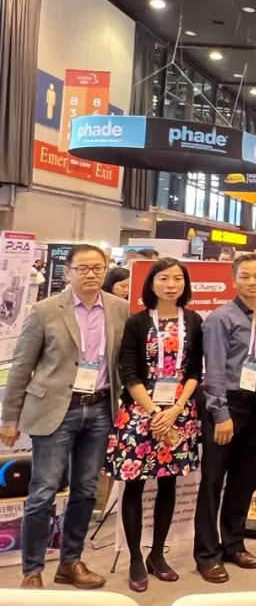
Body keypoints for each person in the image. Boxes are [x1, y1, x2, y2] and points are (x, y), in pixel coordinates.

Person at [0, 244, 129, 590]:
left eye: (97, 268)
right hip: (56, 409)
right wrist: (9, 419)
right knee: (43, 491)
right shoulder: (45, 311)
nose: (91, 274)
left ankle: (71, 562)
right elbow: (21, 367)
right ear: (68, 271)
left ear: (106, 270)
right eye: (82, 268)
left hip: (99, 409)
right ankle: (32, 570)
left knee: (85, 491)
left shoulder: (119, 309)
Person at [105, 258, 204, 592]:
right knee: (133, 486)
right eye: (164, 278)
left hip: (179, 413)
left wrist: (175, 409)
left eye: (177, 279)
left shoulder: (193, 320)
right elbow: (128, 371)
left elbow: (194, 370)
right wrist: (153, 412)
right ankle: (135, 557)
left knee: (168, 484)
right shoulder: (137, 321)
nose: (171, 285)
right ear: (151, 283)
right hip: (139, 412)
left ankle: (157, 554)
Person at [193, 253, 256, 583]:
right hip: (226, 406)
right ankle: (206, 553)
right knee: (213, 481)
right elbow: (213, 369)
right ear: (233, 280)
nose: (252, 282)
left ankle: (233, 543)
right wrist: (220, 412)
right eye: (245, 276)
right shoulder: (220, 318)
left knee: (244, 479)